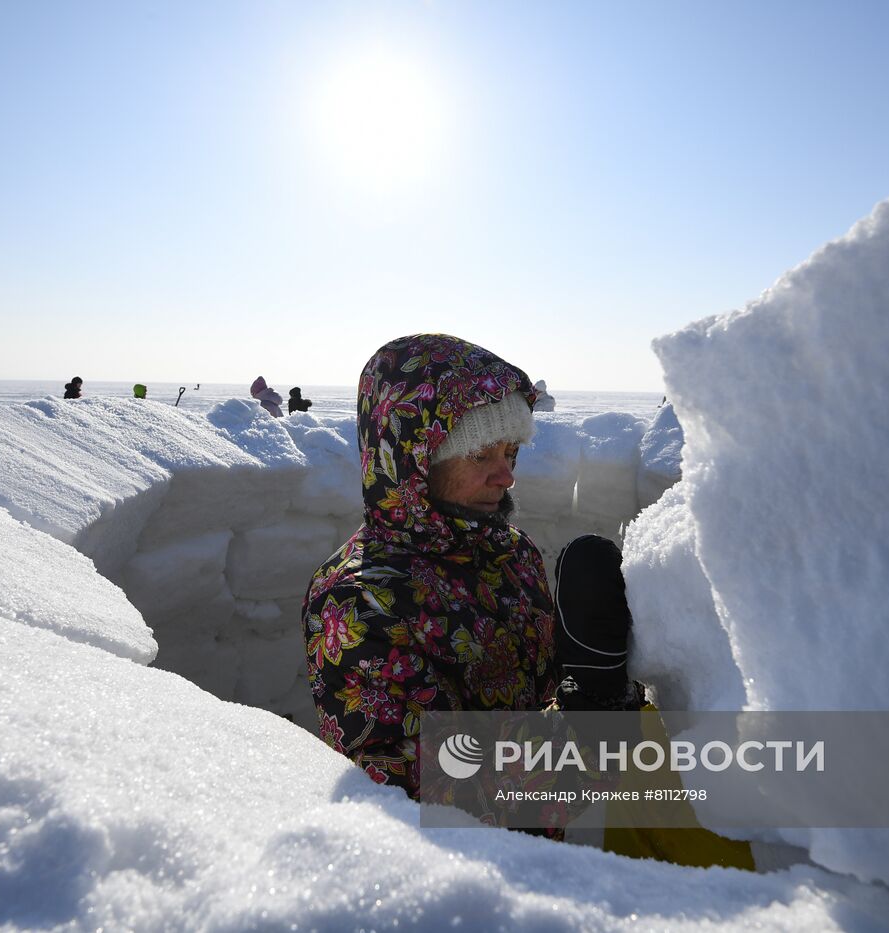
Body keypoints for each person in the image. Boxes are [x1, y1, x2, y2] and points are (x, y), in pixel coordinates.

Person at [302, 333, 754, 870]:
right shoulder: (357, 602)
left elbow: (544, 690)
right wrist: (588, 714)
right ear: (412, 457)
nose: (507, 474)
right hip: (481, 880)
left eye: (511, 451)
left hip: (574, 817)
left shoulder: (504, 550)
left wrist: (605, 664)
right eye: (480, 454)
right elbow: (418, 788)